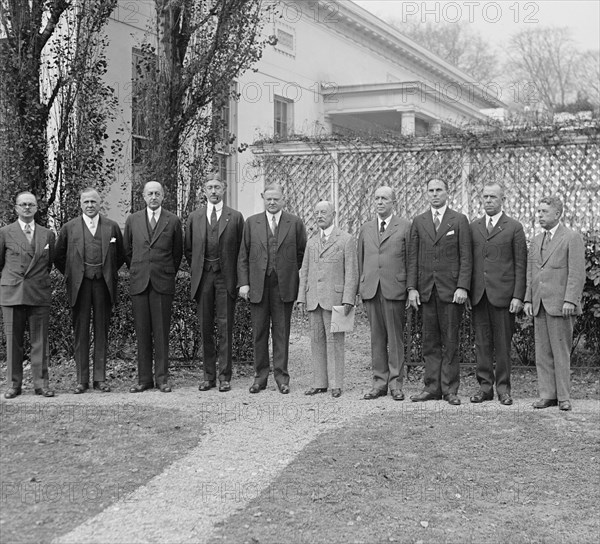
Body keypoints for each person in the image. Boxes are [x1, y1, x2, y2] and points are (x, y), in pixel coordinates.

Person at [237, 183, 307, 394]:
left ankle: (281, 377)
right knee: (259, 332)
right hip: (258, 285)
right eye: (269, 199)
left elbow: (301, 253)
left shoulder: (294, 223)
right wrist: (244, 283)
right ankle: (260, 377)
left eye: (276, 199)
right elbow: (243, 255)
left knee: (281, 332)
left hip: (283, 285)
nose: (272, 202)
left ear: (283, 199)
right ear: (263, 198)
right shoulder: (251, 223)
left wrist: (287, 272)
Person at [408, 178, 472, 405]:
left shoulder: (459, 220)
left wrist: (463, 286)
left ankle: (450, 389)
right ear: (427, 194)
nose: (435, 194)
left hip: (451, 291)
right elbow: (413, 257)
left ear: (447, 193)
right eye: (431, 191)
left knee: (451, 340)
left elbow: (466, 256)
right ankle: (431, 387)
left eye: (439, 190)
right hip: (426, 291)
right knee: (430, 341)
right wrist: (412, 288)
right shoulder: (419, 221)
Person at [55, 188, 125, 394]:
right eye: (86, 202)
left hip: (103, 285)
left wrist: (106, 272)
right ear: (80, 203)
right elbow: (59, 256)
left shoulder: (111, 227)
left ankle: (100, 378)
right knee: (81, 331)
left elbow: (120, 255)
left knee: (102, 331)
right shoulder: (69, 228)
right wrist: (73, 274)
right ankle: (81, 379)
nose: (90, 205)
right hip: (80, 285)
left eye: (93, 201)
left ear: (99, 203)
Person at [468, 182, 527, 406]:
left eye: (493, 197)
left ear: (503, 199)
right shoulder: (474, 227)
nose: (489, 201)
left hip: (504, 296)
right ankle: (485, 388)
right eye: (485, 197)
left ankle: (503, 389)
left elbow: (520, 265)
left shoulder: (513, 227)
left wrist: (518, 296)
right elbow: (469, 261)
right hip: (479, 296)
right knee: (481, 343)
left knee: (503, 344)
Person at [524, 196, 585, 411]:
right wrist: (528, 299)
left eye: (544, 212)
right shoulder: (536, 239)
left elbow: (577, 273)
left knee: (561, 352)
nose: (539, 215)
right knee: (542, 352)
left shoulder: (571, 237)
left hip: (561, 305)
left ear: (557, 214)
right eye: (538, 211)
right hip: (540, 303)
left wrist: (570, 300)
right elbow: (531, 272)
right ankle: (547, 394)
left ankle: (563, 397)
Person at [184, 176, 244, 393]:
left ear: (224, 189)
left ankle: (225, 377)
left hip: (225, 279)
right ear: (204, 190)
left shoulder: (235, 218)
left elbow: (241, 251)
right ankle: (208, 376)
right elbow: (189, 249)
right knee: (205, 328)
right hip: (203, 279)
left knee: (225, 327)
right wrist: (202, 268)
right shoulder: (194, 217)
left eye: (217, 187)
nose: (214, 191)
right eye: (210, 187)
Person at [124, 181, 183, 393]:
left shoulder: (173, 221)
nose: (154, 197)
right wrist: (140, 269)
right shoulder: (133, 220)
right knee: (142, 332)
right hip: (140, 282)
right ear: (143, 196)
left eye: (157, 193)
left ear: (163, 196)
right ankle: (144, 379)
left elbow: (177, 254)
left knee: (161, 332)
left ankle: (162, 378)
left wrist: (165, 271)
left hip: (162, 282)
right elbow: (127, 251)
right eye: (150, 193)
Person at [297, 201, 358, 398]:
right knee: (316, 340)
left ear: (334, 214)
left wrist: (349, 298)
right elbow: (304, 271)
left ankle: (336, 384)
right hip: (314, 297)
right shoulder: (312, 241)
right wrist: (301, 298)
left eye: (324, 212)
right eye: (317, 212)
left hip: (336, 298)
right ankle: (319, 382)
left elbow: (352, 272)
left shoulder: (346, 239)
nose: (320, 215)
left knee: (335, 341)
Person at [357, 187, 411, 400]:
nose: (380, 202)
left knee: (395, 338)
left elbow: (410, 259)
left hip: (394, 289)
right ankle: (379, 382)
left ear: (393, 202)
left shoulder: (405, 226)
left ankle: (396, 383)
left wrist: (409, 288)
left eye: (384, 199)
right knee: (376, 338)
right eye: (377, 198)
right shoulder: (366, 228)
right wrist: (361, 287)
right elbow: (360, 258)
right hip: (371, 289)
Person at [1, 192, 55, 398]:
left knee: (40, 341)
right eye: (22, 204)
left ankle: (41, 384)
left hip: (38, 292)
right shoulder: (5, 233)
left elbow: (48, 264)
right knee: (13, 342)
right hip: (13, 292)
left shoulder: (48, 234)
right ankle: (14, 385)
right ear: (16, 208)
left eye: (31, 205)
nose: (27, 208)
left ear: (36, 208)